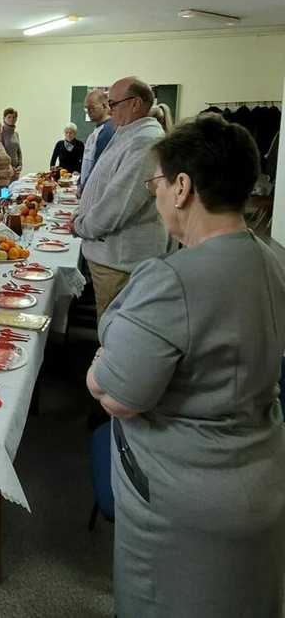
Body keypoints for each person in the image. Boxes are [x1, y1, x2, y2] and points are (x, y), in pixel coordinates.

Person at [86, 114, 285, 618]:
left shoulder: (170, 280)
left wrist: (99, 362)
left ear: (182, 187)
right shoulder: (275, 259)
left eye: (155, 184)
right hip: (259, 470)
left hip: (182, 494)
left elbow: (118, 396)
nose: (154, 197)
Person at [72, 77, 166, 320]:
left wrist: (80, 225)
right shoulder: (129, 133)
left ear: (135, 103)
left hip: (119, 260)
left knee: (113, 328)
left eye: (113, 103)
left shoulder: (145, 141)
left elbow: (118, 205)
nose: (109, 109)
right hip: (111, 256)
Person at [79, 89, 114, 191]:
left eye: (92, 108)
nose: (89, 112)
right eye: (87, 109)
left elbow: (99, 166)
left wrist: (85, 187)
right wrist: (80, 182)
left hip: (94, 189)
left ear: (104, 105)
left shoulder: (108, 130)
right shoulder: (98, 129)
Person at [1, 107, 22, 177]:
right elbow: (1, 153)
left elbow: (19, 151)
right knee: (5, 188)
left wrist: (20, 165)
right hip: (6, 170)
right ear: (4, 118)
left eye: (14, 117)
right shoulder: (0, 133)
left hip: (16, 170)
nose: (12, 119)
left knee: (15, 188)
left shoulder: (16, 134)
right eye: (9, 117)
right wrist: (10, 167)